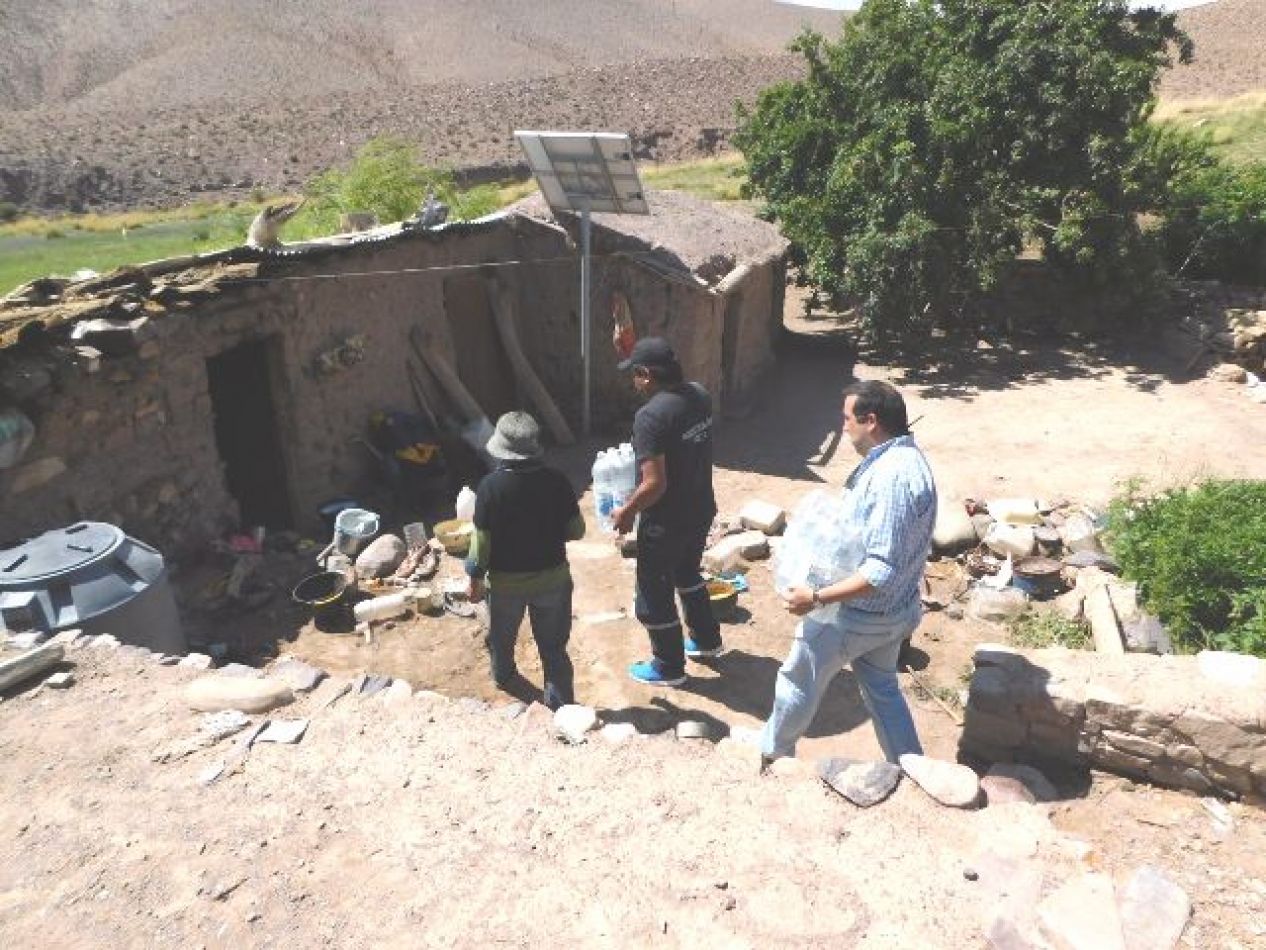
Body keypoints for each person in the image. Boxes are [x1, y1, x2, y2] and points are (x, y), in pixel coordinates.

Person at [762, 380, 937, 765]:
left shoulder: (892, 478)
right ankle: (911, 768)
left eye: (846, 419)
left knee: (798, 679)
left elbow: (881, 570)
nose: (843, 427)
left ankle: (772, 757)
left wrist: (816, 597)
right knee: (883, 691)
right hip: (894, 613)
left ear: (870, 421)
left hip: (858, 617)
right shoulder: (905, 459)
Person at [611, 337, 722, 687]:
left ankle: (668, 665)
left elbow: (655, 484)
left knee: (653, 590)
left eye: (634, 374)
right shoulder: (699, 395)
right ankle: (707, 640)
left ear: (645, 374)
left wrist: (627, 511)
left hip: (667, 520)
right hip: (700, 506)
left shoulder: (651, 417)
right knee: (687, 573)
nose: (633, 381)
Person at [465, 411, 585, 710]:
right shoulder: (557, 482)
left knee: (502, 639)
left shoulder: (490, 488)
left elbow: (481, 544)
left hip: (506, 587)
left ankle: (504, 676)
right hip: (553, 581)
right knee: (553, 648)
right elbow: (577, 531)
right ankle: (561, 705)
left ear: (501, 450)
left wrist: (475, 579)